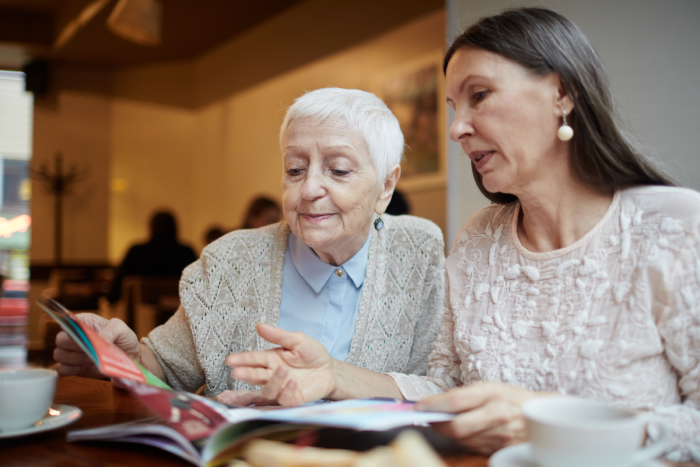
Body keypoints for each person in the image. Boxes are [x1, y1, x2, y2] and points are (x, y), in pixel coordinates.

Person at [223, 8, 700, 462]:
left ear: (563, 93)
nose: (456, 129)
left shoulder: (676, 228)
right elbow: (445, 391)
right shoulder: (479, 240)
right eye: (453, 106)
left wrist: (545, 421)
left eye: (480, 95)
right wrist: (332, 375)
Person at [53, 88, 445, 401]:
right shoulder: (229, 262)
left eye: (338, 169)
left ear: (386, 187)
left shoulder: (418, 252)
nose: (308, 189)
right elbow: (166, 371)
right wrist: (122, 360)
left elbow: (441, 384)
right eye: (295, 169)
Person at [106, 211, 197, 303]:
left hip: (141, 314)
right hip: (180, 312)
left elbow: (115, 292)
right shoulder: (187, 253)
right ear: (176, 228)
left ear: (151, 228)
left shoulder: (137, 252)